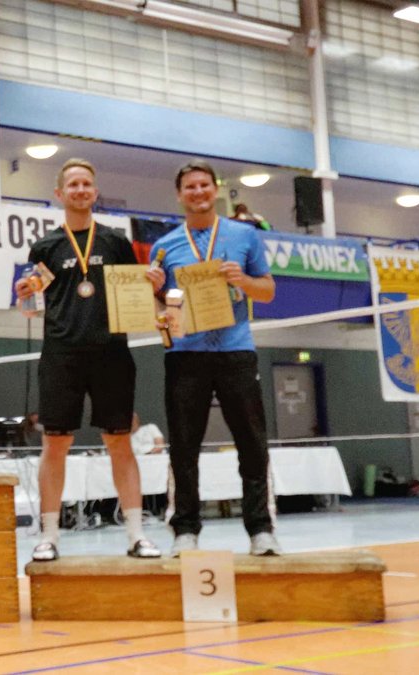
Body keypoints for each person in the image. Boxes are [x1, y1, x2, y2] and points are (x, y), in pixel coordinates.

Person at [15, 158, 161, 561]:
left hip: (112, 353)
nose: (80, 190)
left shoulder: (116, 241)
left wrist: (153, 288)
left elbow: (136, 293)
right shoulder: (45, 247)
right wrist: (24, 295)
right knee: (55, 443)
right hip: (61, 355)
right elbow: (31, 306)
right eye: (73, 184)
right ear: (59, 194)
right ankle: (49, 536)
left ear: (95, 192)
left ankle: (136, 534)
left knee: (119, 442)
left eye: (86, 184)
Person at [145, 159, 281, 557]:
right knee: (183, 447)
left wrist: (243, 280)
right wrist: (154, 292)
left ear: (215, 189)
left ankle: (261, 530)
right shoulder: (164, 246)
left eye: (204, 185)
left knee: (252, 444)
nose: (198, 192)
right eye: (190, 187)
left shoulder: (245, 235)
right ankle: (185, 530)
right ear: (179, 194)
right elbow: (161, 311)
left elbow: (268, 291)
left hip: (236, 351)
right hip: (185, 356)